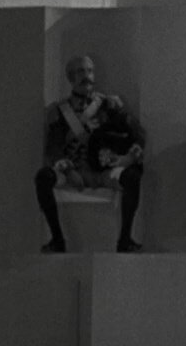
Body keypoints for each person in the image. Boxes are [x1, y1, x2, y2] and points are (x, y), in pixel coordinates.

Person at [35, 55, 145, 253]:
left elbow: (136, 133)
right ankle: (57, 240)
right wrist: (68, 170)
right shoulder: (60, 111)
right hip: (74, 169)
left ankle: (125, 240)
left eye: (90, 71)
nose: (86, 76)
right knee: (43, 177)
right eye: (80, 72)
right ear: (71, 77)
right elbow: (54, 147)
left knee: (132, 177)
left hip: (104, 171)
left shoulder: (109, 105)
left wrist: (127, 158)